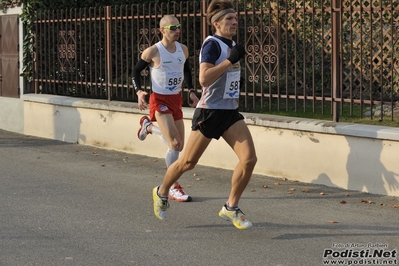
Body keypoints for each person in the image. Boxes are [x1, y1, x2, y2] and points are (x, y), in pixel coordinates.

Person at [152, 0, 257, 229]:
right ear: (216, 23)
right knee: (187, 162)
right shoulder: (212, 44)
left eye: (235, 18)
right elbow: (204, 78)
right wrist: (231, 60)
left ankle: (231, 207)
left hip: (229, 112)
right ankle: (161, 192)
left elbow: (227, 76)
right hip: (209, 112)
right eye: (229, 19)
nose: (234, 22)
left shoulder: (232, 44)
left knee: (249, 159)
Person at [132, 15, 199, 202]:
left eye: (179, 27)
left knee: (179, 146)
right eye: (173, 27)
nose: (177, 30)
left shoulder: (183, 49)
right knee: (175, 144)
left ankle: (149, 127)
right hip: (159, 99)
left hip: (175, 99)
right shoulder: (153, 51)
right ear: (162, 30)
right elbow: (136, 71)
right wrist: (138, 92)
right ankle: (171, 187)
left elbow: (186, 69)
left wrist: (191, 91)